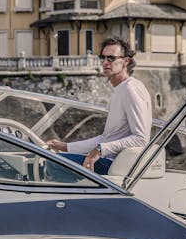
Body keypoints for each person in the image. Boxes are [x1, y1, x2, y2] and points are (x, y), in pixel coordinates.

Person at [46, 36, 152, 174]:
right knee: (49, 159)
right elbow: (107, 138)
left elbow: (141, 139)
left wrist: (100, 150)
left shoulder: (131, 89)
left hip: (116, 165)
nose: (105, 62)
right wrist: (66, 146)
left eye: (111, 58)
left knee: (53, 163)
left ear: (126, 61)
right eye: (103, 58)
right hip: (111, 160)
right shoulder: (121, 89)